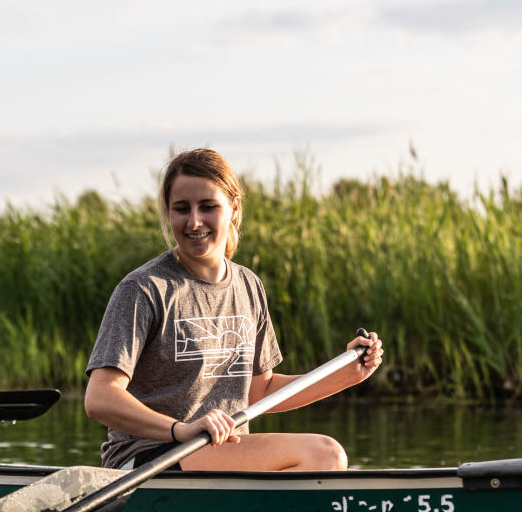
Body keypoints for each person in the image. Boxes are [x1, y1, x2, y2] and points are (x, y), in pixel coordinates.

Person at [84, 149, 383, 472]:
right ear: (168, 214)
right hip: (150, 460)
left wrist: (347, 374)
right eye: (181, 209)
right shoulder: (144, 288)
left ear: (234, 208)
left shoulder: (248, 286)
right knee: (325, 454)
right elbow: (100, 398)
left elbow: (260, 391)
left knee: (321, 459)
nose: (194, 222)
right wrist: (180, 429)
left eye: (208, 207)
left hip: (221, 457)